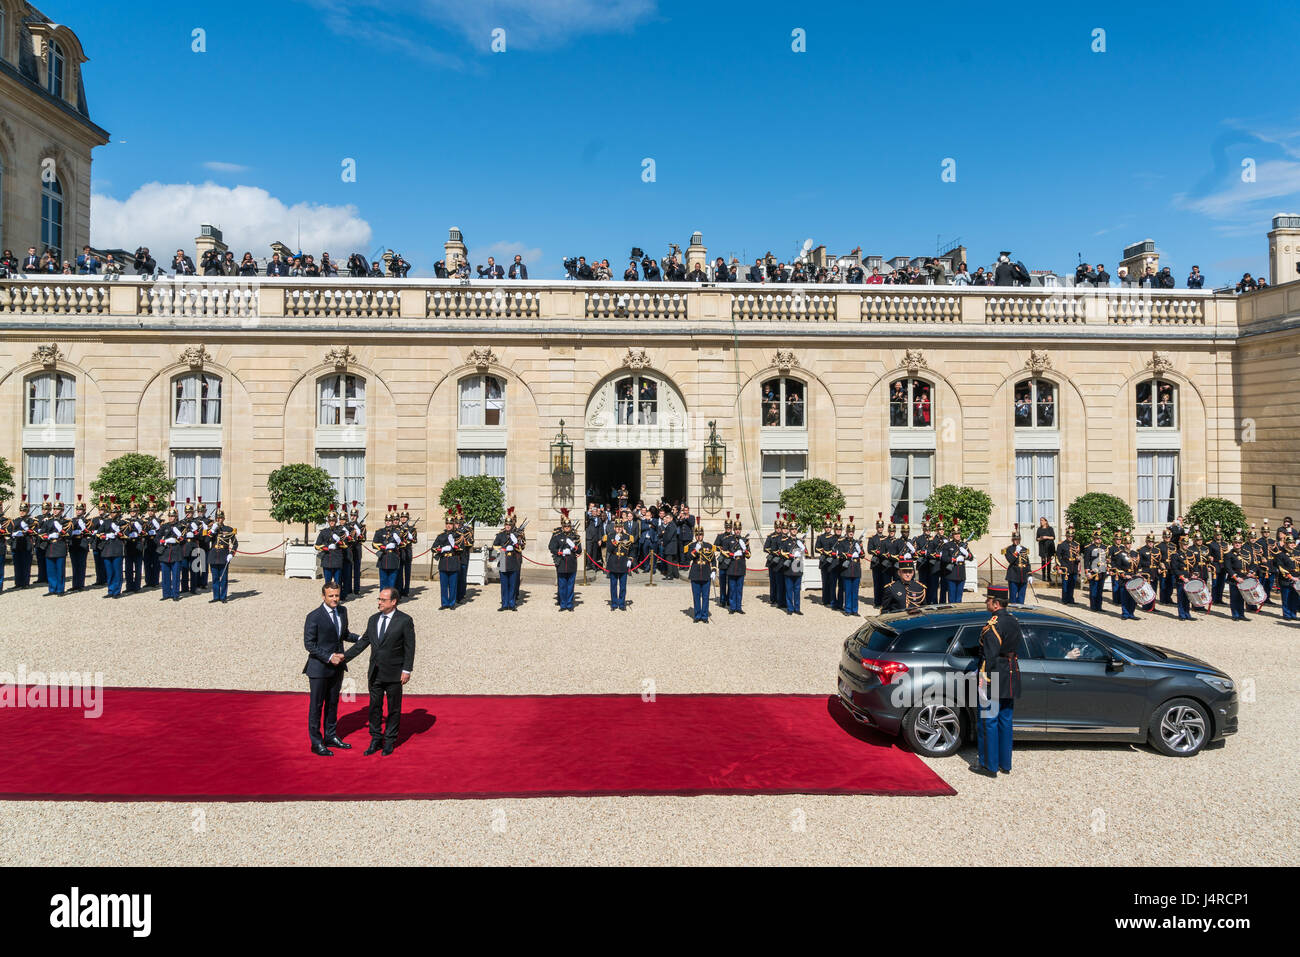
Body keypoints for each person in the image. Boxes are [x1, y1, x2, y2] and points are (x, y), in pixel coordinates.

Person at [342, 587, 416, 756]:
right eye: (379, 599)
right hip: (375, 672)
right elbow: (363, 642)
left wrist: (407, 670)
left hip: (395, 672)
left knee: (393, 708)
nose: (379, 602)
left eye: (383, 600)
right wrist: (344, 658)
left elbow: (409, 647)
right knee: (374, 707)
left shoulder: (404, 620)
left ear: (393, 602)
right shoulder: (373, 620)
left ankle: (390, 740)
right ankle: (375, 738)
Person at [973, 585, 1022, 778]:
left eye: (988, 600)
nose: (986, 602)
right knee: (1005, 720)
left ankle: (989, 765)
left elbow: (990, 656)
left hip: (994, 675)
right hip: (1010, 674)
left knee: (988, 721)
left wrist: (984, 679)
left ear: (995, 603)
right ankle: (1005, 763)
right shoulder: (1013, 621)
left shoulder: (993, 624)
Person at [303, 582, 357, 756]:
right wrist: (328, 657)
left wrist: (364, 638)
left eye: (337, 595)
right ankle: (316, 742)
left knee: (333, 704)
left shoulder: (343, 611)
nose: (335, 599)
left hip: (338, 667)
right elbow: (309, 644)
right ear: (323, 596)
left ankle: (331, 736)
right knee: (316, 706)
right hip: (319, 669)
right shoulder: (314, 616)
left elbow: (345, 634)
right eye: (331, 596)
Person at [492, 508, 524, 611]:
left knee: (513, 584)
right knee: (504, 585)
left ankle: (512, 604)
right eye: (506, 525)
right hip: (503, 560)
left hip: (513, 561)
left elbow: (521, 547)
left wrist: (515, 544)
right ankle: (504, 604)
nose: (508, 526)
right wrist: (502, 549)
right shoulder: (500, 535)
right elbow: (494, 546)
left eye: (509, 525)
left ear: (512, 525)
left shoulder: (517, 535)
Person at [549, 509, 582, 611]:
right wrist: (561, 552)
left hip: (572, 563)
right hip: (562, 563)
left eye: (568, 526)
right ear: (563, 527)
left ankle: (569, 604)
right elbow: (551, 547)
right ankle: (563, 605)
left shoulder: (574, 536)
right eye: (565, 526)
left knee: (570, 585)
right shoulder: (557, 536)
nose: (567, 528)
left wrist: (574, 547)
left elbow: (579, 550)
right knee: (562, 585)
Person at [432, 510, 463, 611]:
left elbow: (461, 548)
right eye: (447, 524)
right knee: (444, 585)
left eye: (450, 524)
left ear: (454, 524)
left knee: (453, 585)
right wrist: (441, 549)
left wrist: (454, 545)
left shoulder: (458, 535)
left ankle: (452, 603)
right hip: (444, 561)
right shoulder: (441, 536)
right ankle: (444, 603)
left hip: (453, 561)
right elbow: (433, 548)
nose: (449, 525)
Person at [206, 506, 237, 603]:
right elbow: (206, 540)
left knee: (223, 578)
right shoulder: (212, 529)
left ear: (223, 518)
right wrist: (212, 531)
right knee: (215, 578)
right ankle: (216, 597)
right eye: (217, 518)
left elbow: (235, 543)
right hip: (213, 555)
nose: (219, 519)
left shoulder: (228, 529)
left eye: (220, 518)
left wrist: (231, 554)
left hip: (224, 555)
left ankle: (223, 596)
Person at [603, 515, 634, 611]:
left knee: (623, 585)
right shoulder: (610, 536)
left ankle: (621, 603)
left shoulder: (627, 536)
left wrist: (630, 559)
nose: (619, 529)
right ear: (614, 527)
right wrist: (615, 541)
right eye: (617, 527)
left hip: (624, 562)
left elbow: (632, 550)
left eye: (620, 527)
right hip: (613, 562)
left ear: (622, 527)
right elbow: (609, 549)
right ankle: (614, 603)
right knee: (613, 585)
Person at [40, 498, 70, 596]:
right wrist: (48, 536)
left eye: (58, 509)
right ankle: (52, 588)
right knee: (50, 570)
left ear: (62, 511)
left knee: (60, 570)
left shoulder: (66, 521)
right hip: (50, 546)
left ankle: (60, 589)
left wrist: (60, 530)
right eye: (54, 509)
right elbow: (41, 533)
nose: (55, 511)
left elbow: (68, 534)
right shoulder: (48, 521)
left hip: (60, 546)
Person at [98, 500, 127, 598]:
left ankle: (117, 591)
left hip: (117, 549)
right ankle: (110, 590)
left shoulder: (123, 522)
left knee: (117, 571)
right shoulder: (106, 522)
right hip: (106, 549)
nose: (112, 514)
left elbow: (125, 535)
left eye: (114, 512)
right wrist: (106, 535)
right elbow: (98, 533)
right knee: (109, 572)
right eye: (111, 512)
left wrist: (117, 532)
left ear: (118, 513)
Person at [686, 524, 715, 622]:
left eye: (701, 535)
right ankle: (697, 615)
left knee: (706, 597)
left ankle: (705, 616)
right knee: (696, 596)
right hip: (695, 572)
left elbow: (713, 559)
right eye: (697, 535)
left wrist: (714, 570)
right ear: (695, 535)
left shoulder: (708, 545)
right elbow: (688, 558)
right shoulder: (692, 546)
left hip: (706, 572)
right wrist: (695, 550)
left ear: (703, 535)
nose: (699, 537)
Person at [315, 508, 349, 591]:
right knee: (327, 582)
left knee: (337, 582)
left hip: (337, 559)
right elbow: (317, 545)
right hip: (327, 559)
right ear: (328, 521)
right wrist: (327, 547)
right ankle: (327, 598)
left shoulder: (341, 531)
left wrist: (339, 542)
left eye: (333, 520)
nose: (332, 522)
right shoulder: (323, 532)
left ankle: (337, 599)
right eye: (330, 520)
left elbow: (345, 545)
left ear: (336, 521)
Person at [157, 505, 186, 601]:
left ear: (176, 517)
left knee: (176, 575)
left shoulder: (181, 526)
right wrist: (163, 541)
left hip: (176, 553)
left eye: (173, 516)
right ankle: (166, 594)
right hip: (165, 553)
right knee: (165, 576)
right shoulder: (164, 526)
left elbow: (183, 540)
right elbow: (157, 538)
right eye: (169, 516)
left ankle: (175, 594)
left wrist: (178, 537)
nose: (170, 518)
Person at [372, 508, 403, 594]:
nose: (388, 522)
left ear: (392, 522)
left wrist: (398, 541)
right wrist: (383, 547)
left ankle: (391, 599)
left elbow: (403, 545)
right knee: (383, 581)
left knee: (392, 583)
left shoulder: (397, 532)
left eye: (390, 521)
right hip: (383, 558)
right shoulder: (379, 532)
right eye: (387, 521)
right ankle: (382, 598)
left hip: (393, 559)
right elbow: (374, 544)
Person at [941, 526, 973, 603]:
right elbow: (944, 558)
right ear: (952, 535)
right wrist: (954, 559)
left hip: (961, 574)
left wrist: (966, 554)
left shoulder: (963, 545)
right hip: (951, 574)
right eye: (955, 534)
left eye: (958, 534)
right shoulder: (947, 545)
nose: (957, 535)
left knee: (959, 597)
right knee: (952, 597)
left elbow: (971, 558)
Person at [1054, 526, 1081, 606]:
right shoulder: (1061, 544)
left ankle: (1071, 599)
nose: (1070, 537)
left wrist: (1078, 558)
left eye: (1072, 536)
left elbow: (1078, 555)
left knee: (1072, 584)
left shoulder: (1076, 544)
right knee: (1065, 584)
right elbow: (1057, 557)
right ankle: (1065, 599)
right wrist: (1059, 567)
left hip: (1074, 566)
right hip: (1065, 566)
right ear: (1066, 536)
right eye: (1069, 536)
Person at [1004, 527, 1031, 604]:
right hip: (1013, 575)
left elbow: (1027, 563)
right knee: (1013, 597)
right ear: (1012, 540)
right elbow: (1010, 560)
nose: (1016, 541)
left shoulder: (1024, 549)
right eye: (1015, 539)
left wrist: (1030, 574)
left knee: (1021, 596)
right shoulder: (1009, 549)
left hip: (1023, 576)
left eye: (1018, 539)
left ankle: (1021, 611)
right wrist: (1016, 552)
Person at [1035, 517, 1056, 585]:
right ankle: (1043, 576)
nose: (1041, 522)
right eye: (1040, 520)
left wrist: (1046, 537)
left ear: (1046, 521)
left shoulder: (1050, 529)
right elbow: (1037, 539)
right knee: (1043, 561)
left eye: (1042, 520)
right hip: (1042, 546)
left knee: (1048, 561)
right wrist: (1040, 538)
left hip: (1049, 546)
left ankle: (1048, 576)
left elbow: (1053, 537)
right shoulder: (1039, 529)